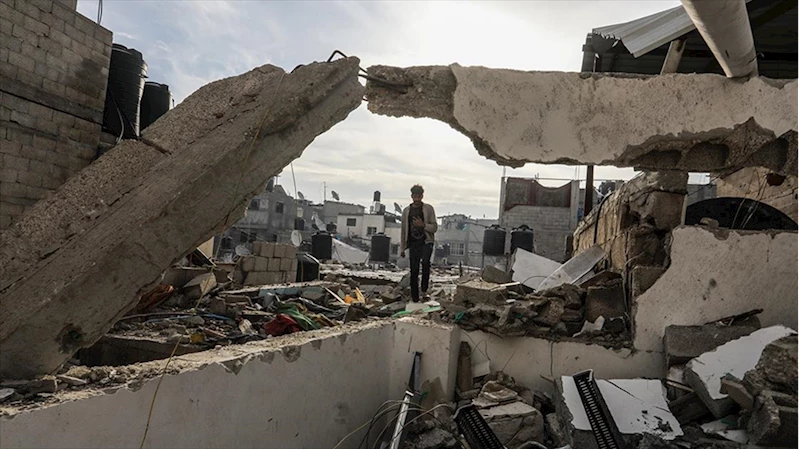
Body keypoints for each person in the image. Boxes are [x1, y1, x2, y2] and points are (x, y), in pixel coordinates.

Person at [400, 184, 437, 302]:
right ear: (412, 196)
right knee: (414, 269)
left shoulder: (428, 209)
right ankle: (415, 297)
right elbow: (403, 230)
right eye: (415, 196)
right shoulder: (406, 211)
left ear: (422, 196)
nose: (416, 198)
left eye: (419, 196)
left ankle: (424, 291)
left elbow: (434, 227)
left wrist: (423, 225)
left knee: (425, 263)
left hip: (426, 241)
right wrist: (402, 248)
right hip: (413, 243)